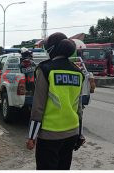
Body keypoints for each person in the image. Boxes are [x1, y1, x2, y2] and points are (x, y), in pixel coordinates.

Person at [26, 32, 85, 170]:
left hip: (50, 135)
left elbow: (38, 107)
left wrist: (31, 136)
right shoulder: (78, 72)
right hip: (72, 132)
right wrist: (80, 133)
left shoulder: (45, 69)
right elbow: (79, 108)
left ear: (53, 49)